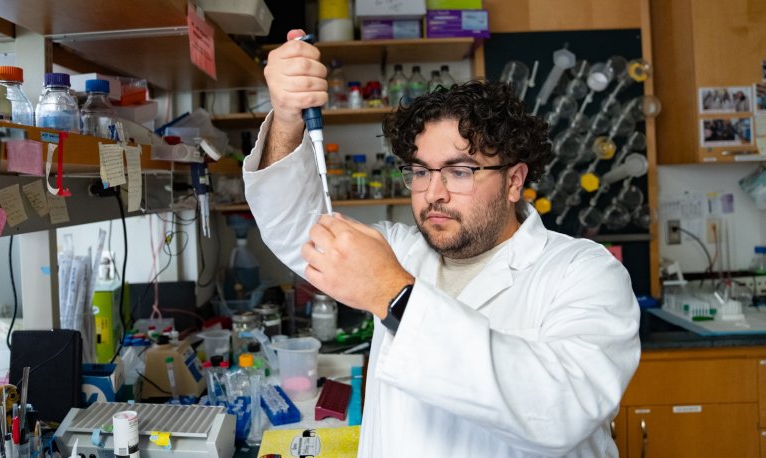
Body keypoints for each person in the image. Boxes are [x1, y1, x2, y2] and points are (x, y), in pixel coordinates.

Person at [243, 29, 641, 457]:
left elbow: (562, 409)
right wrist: (286, 116)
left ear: (514, 180)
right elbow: (292, 229)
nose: (433, 192)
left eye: (459, 171)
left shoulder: (584, 273)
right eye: (420, 171)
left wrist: (395, 296)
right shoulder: (397, 250)